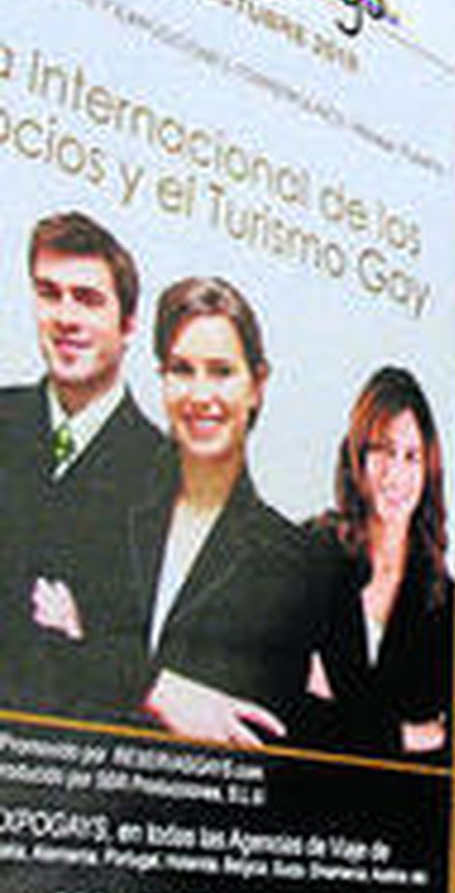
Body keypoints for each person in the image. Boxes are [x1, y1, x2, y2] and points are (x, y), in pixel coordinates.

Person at [33, 275, 363, 747]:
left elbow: (259, 731)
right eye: (182, 369)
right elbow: (38, 660)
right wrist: (155, 690)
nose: (200, 394)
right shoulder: (94, 505)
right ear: (161, 379)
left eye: (221, 371)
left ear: (257, 385)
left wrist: (90, 647)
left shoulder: (296, 564)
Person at [0, 211, 162, 713]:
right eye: (50, 293)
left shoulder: (170, 475)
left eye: (88, 299)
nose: (65, 317)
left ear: (128, 323)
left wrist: (84, 642)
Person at [310, 366, 454, 760]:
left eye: (412, 457)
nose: (396, 474)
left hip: (399, 813)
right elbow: (286, 709)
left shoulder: (445, 601)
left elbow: (452, 745)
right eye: (383, 451)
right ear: (358, 456)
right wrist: (404, 735)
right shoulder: (313, 554)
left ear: (429, 472)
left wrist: (335, 705)